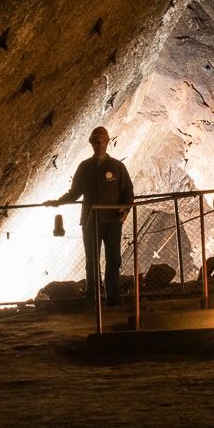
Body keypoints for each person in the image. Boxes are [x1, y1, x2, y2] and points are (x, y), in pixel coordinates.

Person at [45, 126, 134, 305]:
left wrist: (126, 210)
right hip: (90, 221)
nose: (100, 143)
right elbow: (75, 192)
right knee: (92, 260)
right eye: (96, 140)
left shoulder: (118, 167)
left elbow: (127, 192)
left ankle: (113, 298)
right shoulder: (84, 167)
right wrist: (58, 201)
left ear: (108, 141)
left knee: (114, 259)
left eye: (102, 139)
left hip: (112, 221)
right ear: (91, 143)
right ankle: (93, 296)